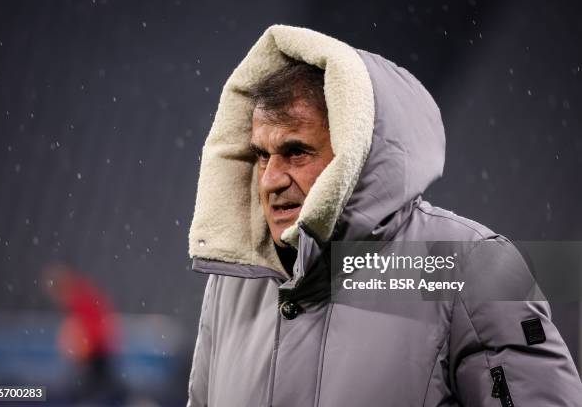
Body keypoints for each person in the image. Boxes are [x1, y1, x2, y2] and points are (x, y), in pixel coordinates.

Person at [186, 25, 582, 406]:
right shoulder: (233, 282)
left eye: (296, 151)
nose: (270, 180)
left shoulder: (469, 267)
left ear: (357, 152)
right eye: (261, 156)